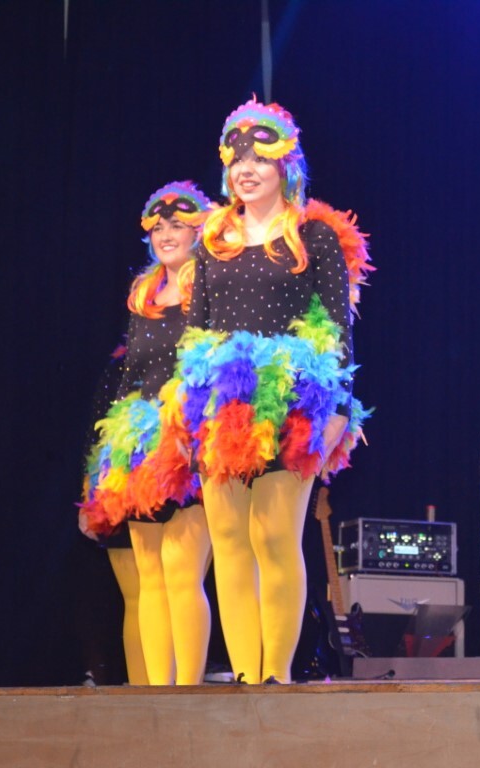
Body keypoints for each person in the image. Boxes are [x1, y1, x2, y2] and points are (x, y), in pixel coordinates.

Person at [152, 98, 371, 684]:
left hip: (292, 404)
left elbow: (338, 331)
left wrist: (338, 411)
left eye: (259, 158)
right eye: (237, 160)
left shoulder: (313, 237)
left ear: (285, 165)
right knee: (228, 541)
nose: (246, 169)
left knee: (274, 536)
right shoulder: (212, 241)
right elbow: (195, 334)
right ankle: (246, 677)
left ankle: (276, 677)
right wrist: (185, 415)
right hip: (220, 408)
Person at [80, 181, 214, 685]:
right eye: (158, 228)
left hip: (192, 442)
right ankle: (156, 694)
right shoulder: (144, 295)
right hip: (140, 448)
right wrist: (108, 468)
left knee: (182, 574)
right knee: (150, 579)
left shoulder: (213, 286)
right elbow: (128, 383)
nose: (166, 235)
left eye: (177, 225)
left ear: (198, 231)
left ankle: (188, 693)